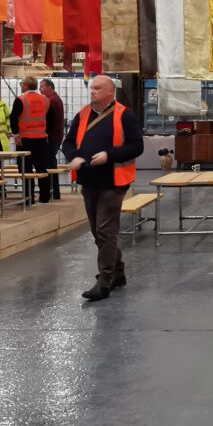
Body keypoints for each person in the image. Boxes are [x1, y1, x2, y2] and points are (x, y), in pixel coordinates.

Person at [65, 75, 143, 302]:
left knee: (105, 231)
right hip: (88, 180)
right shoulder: (83, 114)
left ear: (111, 92)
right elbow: (68, 142)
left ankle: (105, 280)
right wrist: (74, 156)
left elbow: (136, 146)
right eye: (92, 88)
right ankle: (117, 272)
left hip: (113, 181)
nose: (93, 91)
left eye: (98, 88)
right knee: (96, 231)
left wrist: (109, 155)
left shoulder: (124, 115)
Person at [11, 81, 51, 205]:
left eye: (22, 84)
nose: (21, 86)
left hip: (25, 139)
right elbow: (49, 118)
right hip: (41, 138)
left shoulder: (21, 100)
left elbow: (13, 118)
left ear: (27, 85)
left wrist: (16, 134)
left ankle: (29, 197)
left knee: (25, 169)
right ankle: (45, 196)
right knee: (41, 167)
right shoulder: (45, 100)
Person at [37, 79, 66, 204]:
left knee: (48, 165)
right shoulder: (56, 99)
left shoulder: (51, 101)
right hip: (56, 137)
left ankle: (51, 191)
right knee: (51, 164)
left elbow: (49, 121)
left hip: (51, 138)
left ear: (50, 87)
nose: (40, 90)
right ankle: (55, 192)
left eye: (42, 87)